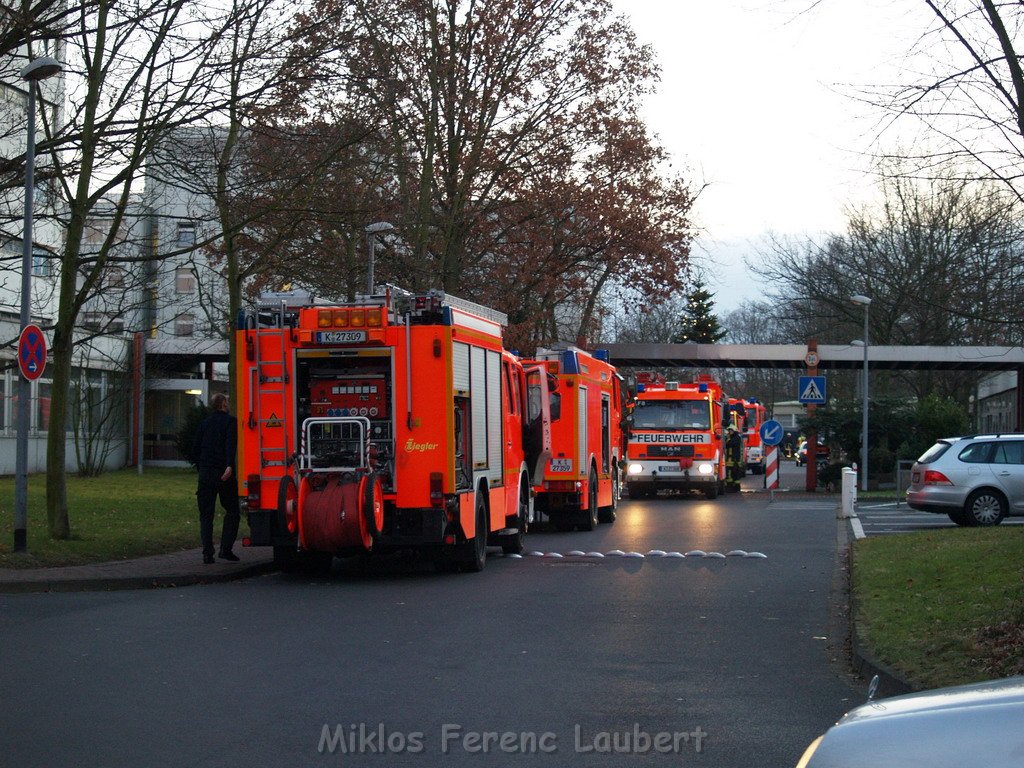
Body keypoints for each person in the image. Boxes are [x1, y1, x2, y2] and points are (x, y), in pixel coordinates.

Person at [193, 393, 241, 564]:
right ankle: (225, 549)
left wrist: (201, 467)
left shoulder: (205, 423)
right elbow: (230, 444)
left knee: (206, 514)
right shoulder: (230, 422)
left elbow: (196, 447)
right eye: (227, 401)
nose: (228, 404)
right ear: (223, 404)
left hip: (205, 473)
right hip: (223, 473)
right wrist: (229, 464)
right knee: (233, 510)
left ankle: (207, 553)